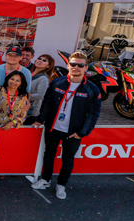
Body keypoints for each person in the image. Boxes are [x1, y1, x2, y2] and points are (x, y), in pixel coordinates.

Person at [31, 52, 102, 200]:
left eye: (80, 65)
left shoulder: (92, 89)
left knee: (68, 159)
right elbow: (47, 103)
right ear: (68, 65)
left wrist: (82, 133)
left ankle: (61, 184)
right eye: (73, 64)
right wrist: (40, 119)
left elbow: (94, 114)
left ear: (85, 67)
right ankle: (45, 179)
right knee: (48, 154)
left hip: (74, 132)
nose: (76, 67)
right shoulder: (57, 82)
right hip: (53, 127)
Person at [27, 54, 55, 125]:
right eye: (39, 58)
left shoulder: (44, 79)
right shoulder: (28, 73)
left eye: (44, 60)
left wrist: (23, 96)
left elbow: (40, 95)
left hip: (31, 112)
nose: (40, 61)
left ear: (48, 66)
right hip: (19, 108)